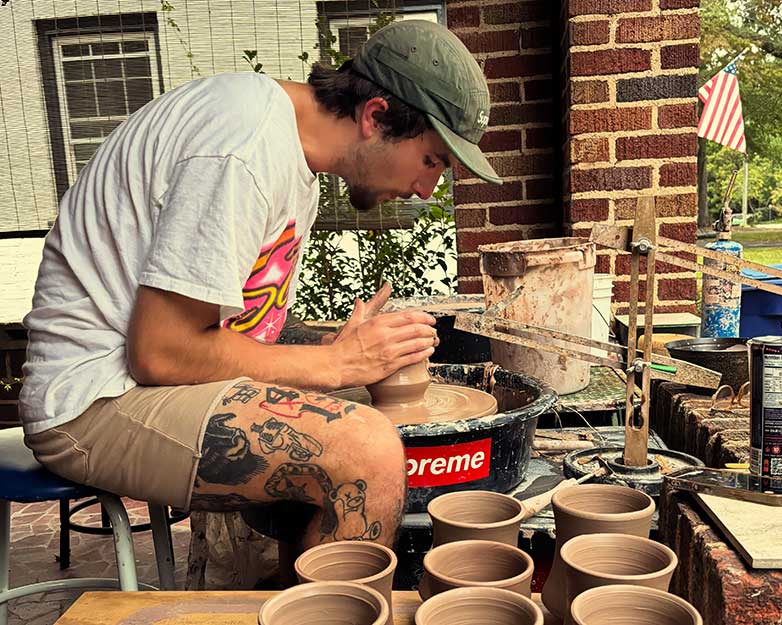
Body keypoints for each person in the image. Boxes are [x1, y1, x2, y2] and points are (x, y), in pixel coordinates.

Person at [19, 19, 501, 552]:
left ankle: (292, 596)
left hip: (145, 382)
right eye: (431, 159)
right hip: (93, 400)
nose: (426, 187)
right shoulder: (242, 149)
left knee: (350, 396)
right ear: (376, 116)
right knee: (369, 451)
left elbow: (242, 334)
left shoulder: (293, 163)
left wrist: (335, 349)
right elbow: (161, 352)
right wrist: (338, 364)